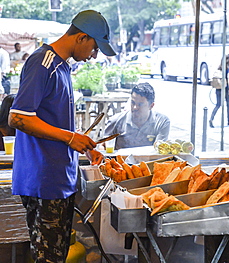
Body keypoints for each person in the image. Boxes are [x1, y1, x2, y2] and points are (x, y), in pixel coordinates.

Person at [9, 10, 116, 262]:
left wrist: (83, 144)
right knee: (48, 257)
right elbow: (19, 117)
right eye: (94, 48)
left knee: (55, 254)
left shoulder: (62, 67)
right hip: (44, 180)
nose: (93, 56)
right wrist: (69, 138)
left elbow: (52, 121)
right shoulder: (42, 62)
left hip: (58, 178)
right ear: (81, 37)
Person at [104, 82, 170, 149]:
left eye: (140, 104)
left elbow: (160, 150)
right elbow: (103, 146)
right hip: (120, 159)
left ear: (151, 106)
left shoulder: (162, 122)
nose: (135, 107)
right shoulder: (116, 121)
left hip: (151, 159)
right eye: (133, 103)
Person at [209, 54, 229, 128]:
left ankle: (211, 118)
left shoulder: (219, 68)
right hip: (226, 88)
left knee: (218, 104)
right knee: (228, 105)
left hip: (219, 88)